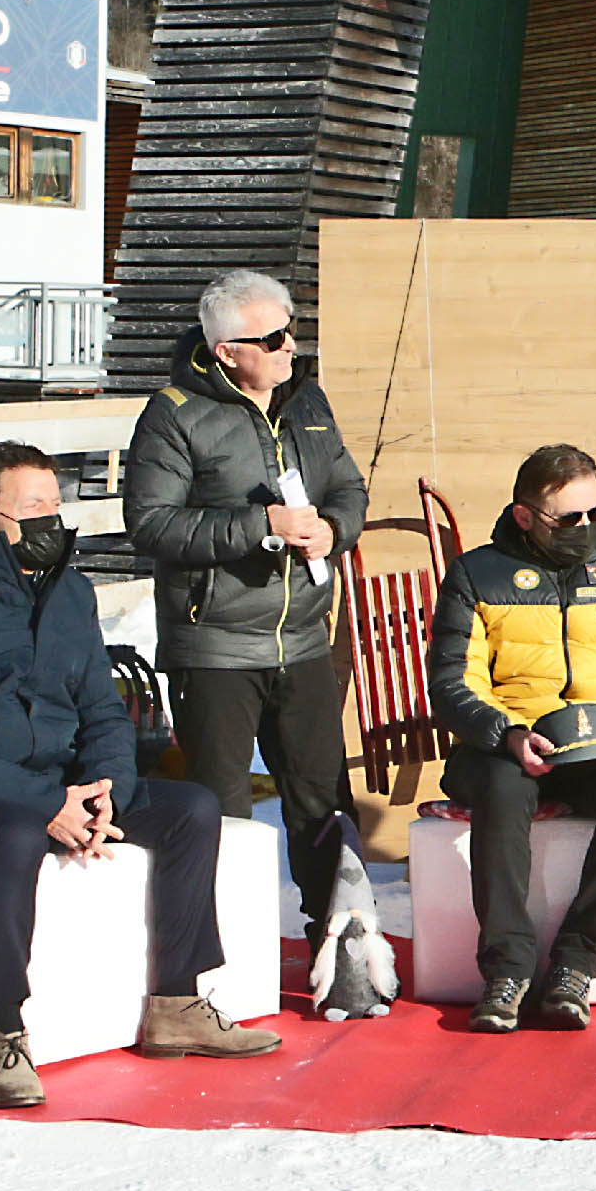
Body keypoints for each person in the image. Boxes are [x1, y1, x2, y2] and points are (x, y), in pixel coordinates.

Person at [0, 441, 282, 1109]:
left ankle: (177, 1001)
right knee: (15, 833)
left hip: (57, 783)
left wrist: (107, 793)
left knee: (192, 810)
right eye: (33, 509)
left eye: (55, 507)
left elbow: (101, 709)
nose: (51, 524)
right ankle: (6, 1030)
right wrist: (45, 802)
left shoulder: (69, 592)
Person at [121, 269, 370, 927]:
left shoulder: (308, 402)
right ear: (227, 350)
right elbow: (151, 525)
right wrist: (260, 529)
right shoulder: (173, 415)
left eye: (293, 331)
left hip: (307, 639)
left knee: (324, 801)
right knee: (220, 810)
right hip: (216, 647)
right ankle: (221, 955)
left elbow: (349, 488)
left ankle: (341, 938)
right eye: (275, 338)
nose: (291, 347)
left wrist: (333, 529)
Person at [426, 444, 596, 1034]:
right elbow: (451, 678)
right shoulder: (475, 574)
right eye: (569, 518)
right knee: (502, 789)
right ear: (525, 516)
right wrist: (506, 734)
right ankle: (507, 971)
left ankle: (576, 964)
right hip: (503, 747)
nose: (588, 527)